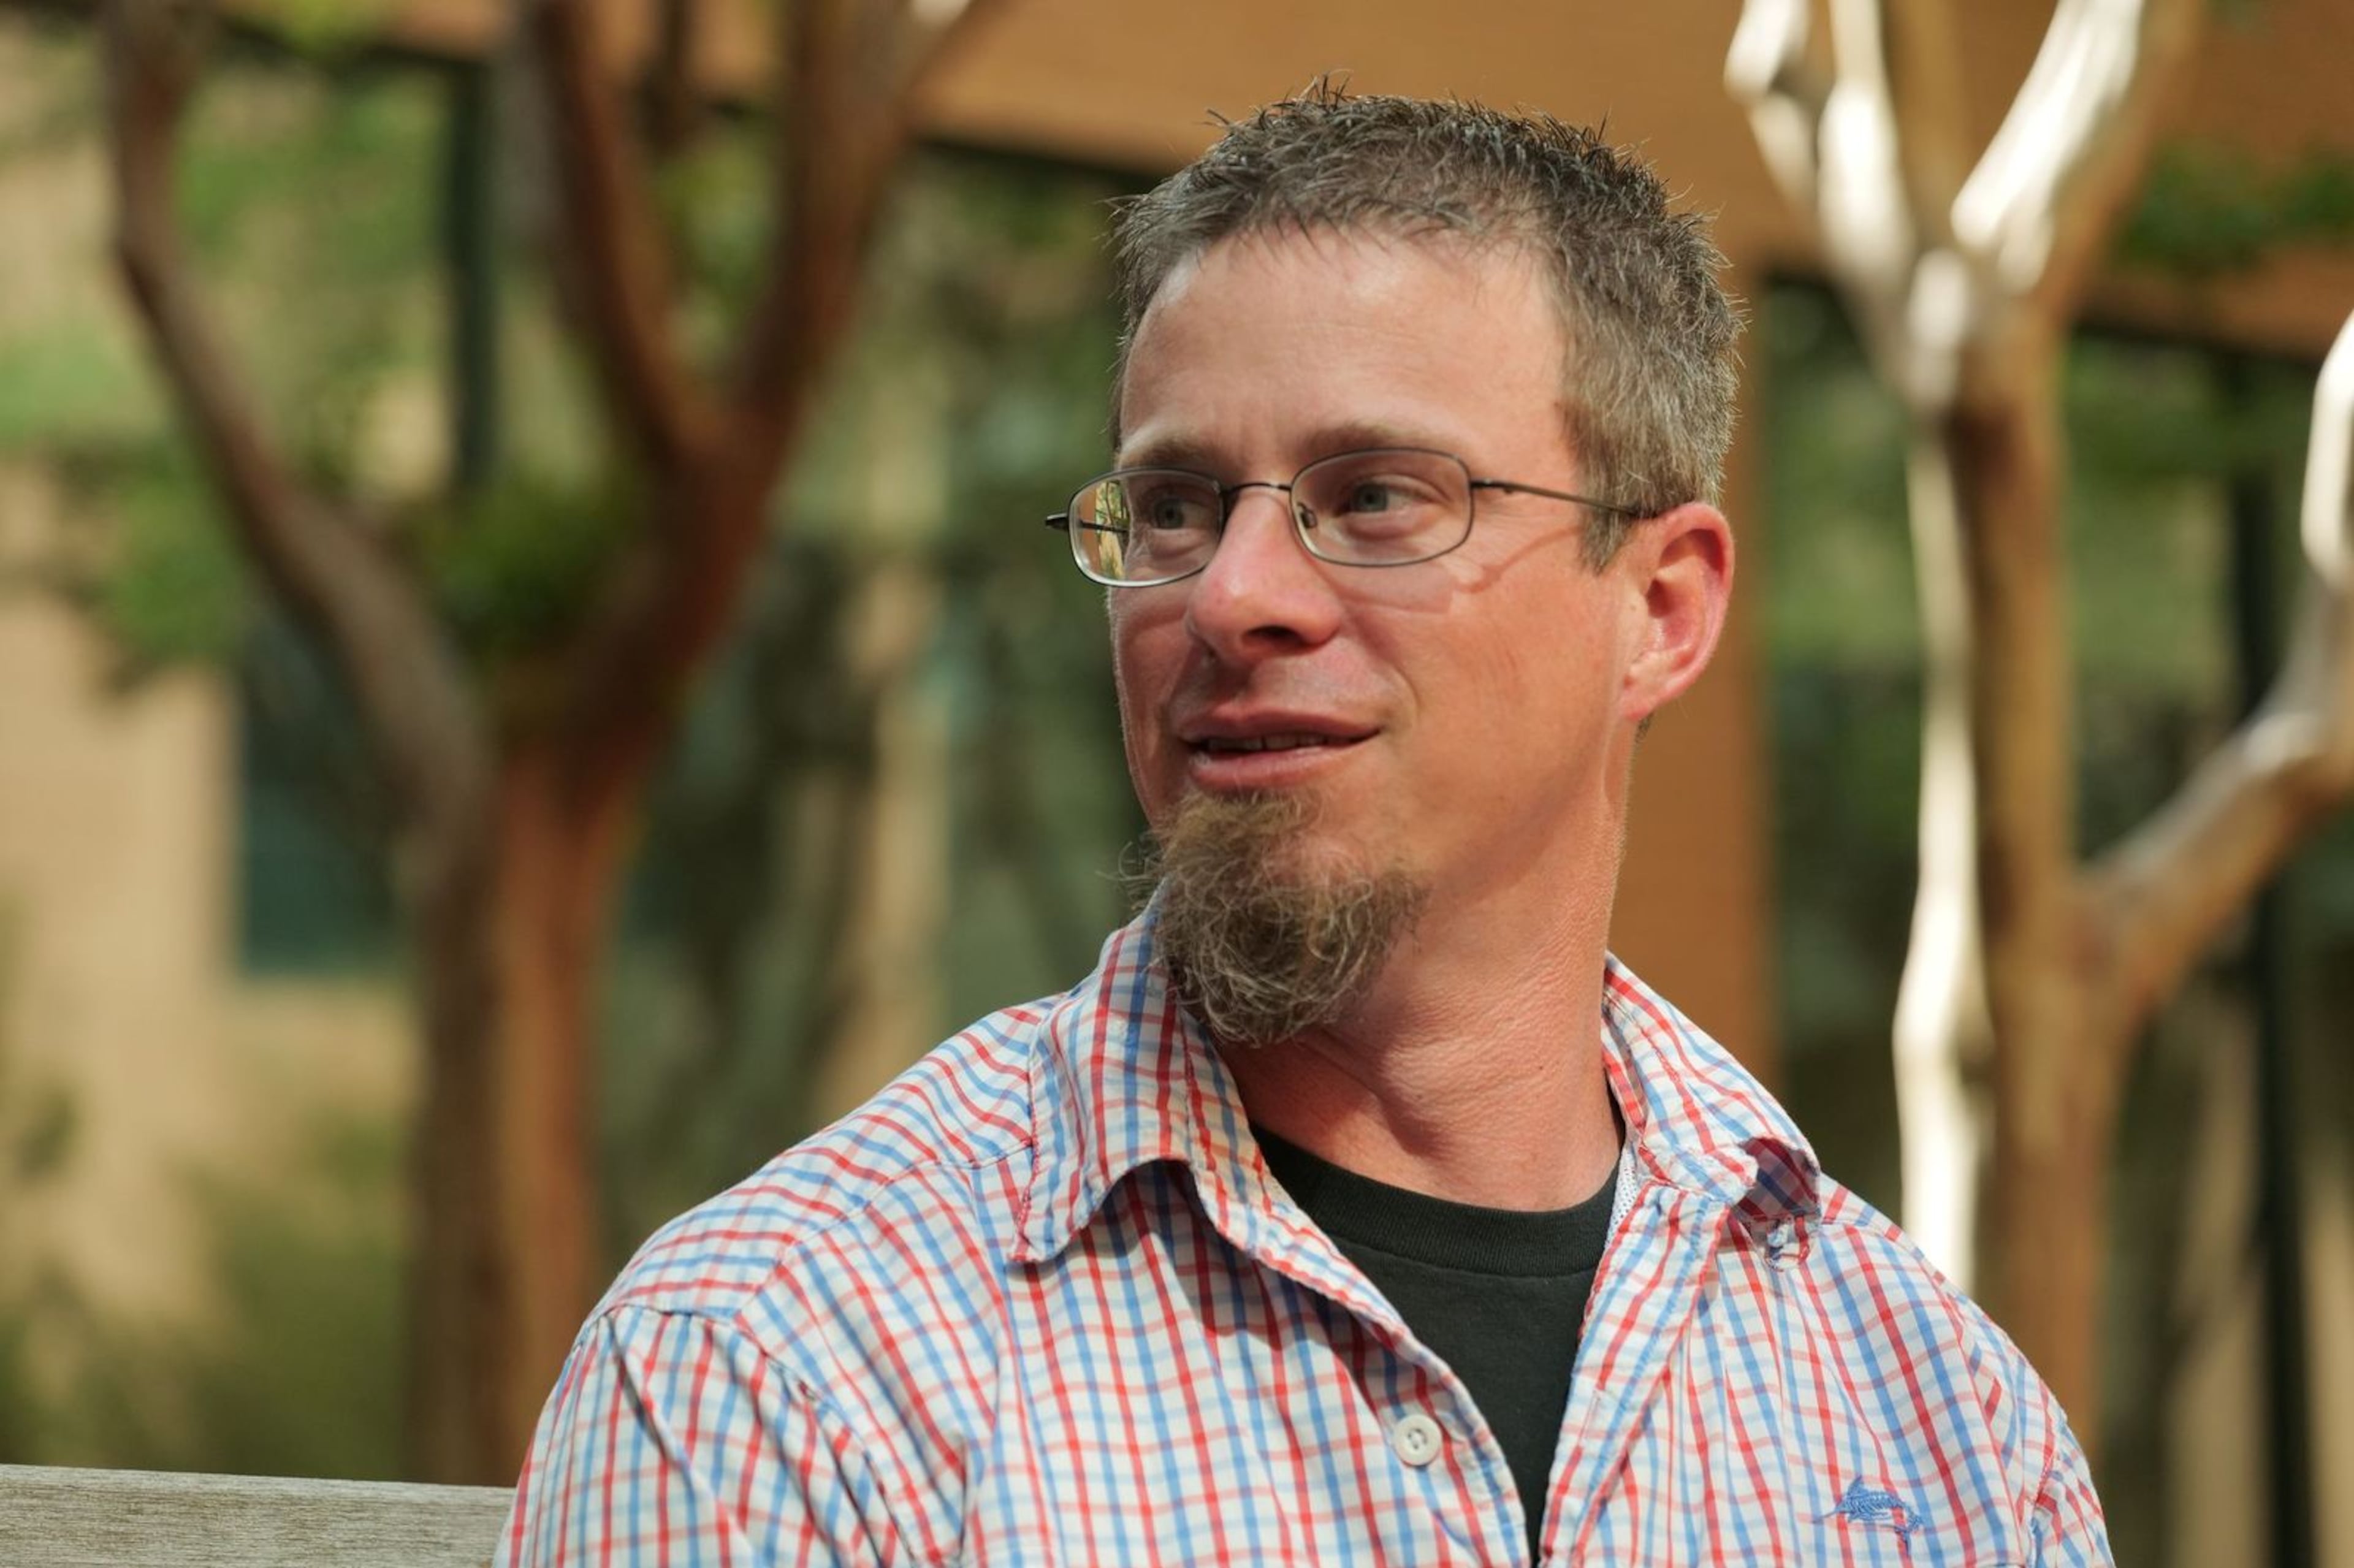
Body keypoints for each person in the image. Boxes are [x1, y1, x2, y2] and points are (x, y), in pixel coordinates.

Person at [497, 88, 2109, 1567]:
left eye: (1377, 497)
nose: (1233, 597)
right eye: (1175, 508)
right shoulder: (777, 1369)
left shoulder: (1948, 1432)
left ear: (1663, 611)